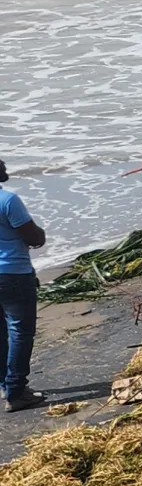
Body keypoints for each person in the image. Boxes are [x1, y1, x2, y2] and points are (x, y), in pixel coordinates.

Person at [0, 159, 45, 411]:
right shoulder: (8, 200)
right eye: (0, 163)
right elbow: (32, 236)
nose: (4, 165)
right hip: (12, 273)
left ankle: (7, 386)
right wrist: (41, 236)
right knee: (20, 331)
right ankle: (16, 392)